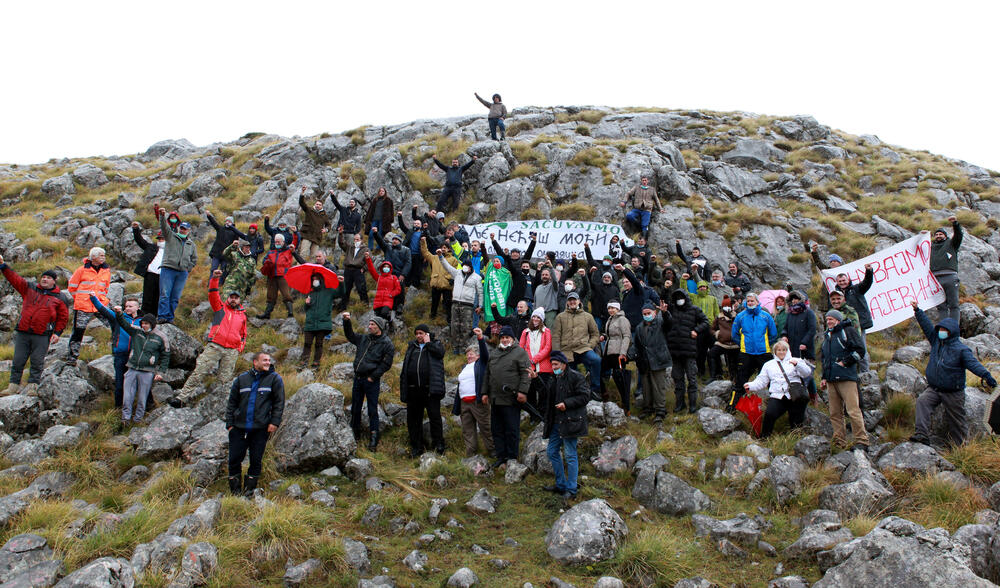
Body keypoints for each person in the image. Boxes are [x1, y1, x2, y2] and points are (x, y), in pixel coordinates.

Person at [909, 300, 997, 447]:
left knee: (957, 421)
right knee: (922, 401)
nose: (941, 332)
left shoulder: (961, 350)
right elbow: (927, 326)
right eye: (940, 329)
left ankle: (962, 447)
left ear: (952, 332)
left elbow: (973, 364)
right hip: (934, 389)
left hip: (953, 393)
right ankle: (921, 434)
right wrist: (918, 311)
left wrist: (986, 375)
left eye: (945, 330)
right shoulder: (936, 340)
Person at [172, 270, 248, 407]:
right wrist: (215, 278)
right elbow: (213, 293)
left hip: (231, 350)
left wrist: (239, 347)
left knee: (224, 380)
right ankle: (182, 398)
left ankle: (218, 406)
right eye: (231, 297)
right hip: (215, 346)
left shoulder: (242, 315)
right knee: (200, 371)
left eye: (236, 298)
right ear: (227, 298)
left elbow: (243, 334)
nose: (233, 299)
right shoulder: (220, 308)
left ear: (240, 300)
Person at [0, 255, 68, 396]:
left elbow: (63, 317)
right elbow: (14, 279)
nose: (44, 279)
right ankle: (13, 386)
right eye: (43, 277)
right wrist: (3, 266)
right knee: (18, 360)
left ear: (54, 281)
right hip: (23, 332)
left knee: (37, 361)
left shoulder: (60, 297)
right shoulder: (29, 288)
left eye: (48, 278)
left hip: (42, 334)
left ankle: (33, 387)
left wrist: (57, 333)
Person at [225, 352, 284, 497]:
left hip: (261, 429)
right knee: (234, 459)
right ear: (255, 362)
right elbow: (231, 403)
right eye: (264, 360)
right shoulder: (241, 379)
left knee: (256, 460)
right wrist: (230, 424)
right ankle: (235, 492)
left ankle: (249, 492)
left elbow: (279, 403)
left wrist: (274, 422)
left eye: (269, 360)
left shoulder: (275, 379)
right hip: (239, 428)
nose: (267, 363)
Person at [343, 312, 395, 451]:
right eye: (369, 324)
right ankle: (355, 434)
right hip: (358, 378)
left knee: (372, 409)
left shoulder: (386, 343)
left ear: (379, 327)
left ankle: (374, 437)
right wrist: (346, 322)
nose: (369, 326)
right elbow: (350, 336)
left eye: (372, 324)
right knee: (355, 408)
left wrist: (373, 376)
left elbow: (387, 364)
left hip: (371, 380)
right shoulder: (364, 338)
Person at [820, 309, 869, 451]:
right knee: (835, 413)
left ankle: (862, 441)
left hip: (847, 378)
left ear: (838, 320)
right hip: (831, 380)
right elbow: (825, 359)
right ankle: (839, 441)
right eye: (827, 319)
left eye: (831, 319)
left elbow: (860, 350)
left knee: (853, 410)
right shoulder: (827, 336)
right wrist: (824, 377)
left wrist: (845, 362)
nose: (829, 321)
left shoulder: (848, 331)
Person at [542, 351, 589, 500]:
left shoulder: (576, 377)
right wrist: (536, 379)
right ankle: (561, 485)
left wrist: (566, 404)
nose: (553, 367)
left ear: (563, 364)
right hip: (557, 423)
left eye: (555, 364)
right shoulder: (554, 378)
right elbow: (545, 394)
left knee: (570, 455)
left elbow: (585, 396)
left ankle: (572, 489)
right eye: (552, 364)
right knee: (551, 452)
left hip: (570, 422)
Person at [744, 340, 813, 437]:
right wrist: (750, 386)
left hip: (795, 395)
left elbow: (807, 373)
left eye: (784, 350)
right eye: (779, 350)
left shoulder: (796, 360)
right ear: (775, 352)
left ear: (787, 350)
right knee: (769, 415)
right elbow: (762, 381)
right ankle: (764, 438)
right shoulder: (768, 365)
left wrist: (797, 364)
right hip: (778, 395)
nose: (781, 352)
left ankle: (796, 439)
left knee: (796, 420)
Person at [486, 325, 531, 468]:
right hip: (495, 399)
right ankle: (501, 456)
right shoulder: (493, 353)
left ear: (512, 338)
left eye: (507, 337)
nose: (505, 340)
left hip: (511, 399)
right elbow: (487, 374)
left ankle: (511, 457)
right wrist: (484, 393)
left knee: (511, 429)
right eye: (503, 337)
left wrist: (523, 392)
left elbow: (526, 374)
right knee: (496, 429)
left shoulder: (520, 353)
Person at [400, 324, 446, 457]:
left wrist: (428, 343)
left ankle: (439, 445)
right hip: (413, 390)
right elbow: (405, 367)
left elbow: (440, 353)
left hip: (430, 390)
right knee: (413, 420)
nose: (419, 336)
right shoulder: (412, 347)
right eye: (417, 333)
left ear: (427, 334)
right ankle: (416, 447)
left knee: (435, 418)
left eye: (421, 333)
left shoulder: (435, 344)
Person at [115, 312, 169, 423]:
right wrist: (119, 314)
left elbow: (166, 355)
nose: (144, 325)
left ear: (152, 324)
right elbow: (123, 324)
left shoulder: (161, 337)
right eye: (143, 323)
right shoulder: (136, 331)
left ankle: (138, 420)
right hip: (132, 368)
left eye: (146, 324)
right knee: (127, 397)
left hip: (147, 371)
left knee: (142, 398)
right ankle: (125, 419)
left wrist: (161, 372)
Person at [729, 292, 778, 410]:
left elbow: (773, 334)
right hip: (746, 354)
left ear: (757, 302)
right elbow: (734, 334)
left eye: (753, 301)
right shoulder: (740, 316)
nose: (750, 303)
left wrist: (764, 344)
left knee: (772, 380)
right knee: (740, 381)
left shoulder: (766, 316)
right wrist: (743, 344)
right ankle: (733, 406)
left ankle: (775, 406)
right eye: (748, 301)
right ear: (746, 302)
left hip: (764, 353)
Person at [90, 295, 140, 408]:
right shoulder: (118, 317)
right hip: (120, 354)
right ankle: (118, 408)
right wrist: (93, 298)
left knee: (138, 382)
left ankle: (141, 406)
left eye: (130, 306)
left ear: (137, 307)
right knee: (119, 384)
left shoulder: (142, 321)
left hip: (136, 355)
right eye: (126, 306)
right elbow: (103, 310)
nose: (127, 308)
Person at [666, 289, 710, 413]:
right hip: (675, 351)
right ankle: (680, 404)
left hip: (689, 350)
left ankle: (692, 405)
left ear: (686, 297)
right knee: (678, 379)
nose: (679, 300)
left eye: (681, 297)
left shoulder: (694, 310)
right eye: (677, 297)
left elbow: (706, 322)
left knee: (692, 378)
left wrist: (696, 330)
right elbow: (666, 321)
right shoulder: (672, 310)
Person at [552, 292, 602, 399]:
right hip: (566, 351)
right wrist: (557, 354)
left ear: (579, 301)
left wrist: (589, 346)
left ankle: (595, 390)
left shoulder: (587, 316)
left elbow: (595, 334)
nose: (572, 302)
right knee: (570, 374)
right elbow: (556, 336)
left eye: (574, 300)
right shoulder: (560, 317)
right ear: (567, 302)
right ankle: (574, 393)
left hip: (583, 349)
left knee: (596, 360)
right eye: (570, 300)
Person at [452, 328, 493, 457]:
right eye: (467, 354)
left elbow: (486, 354)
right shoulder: (464, 368)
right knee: (468, 430)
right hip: (465, 403)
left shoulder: (481, 364)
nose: (469, 356)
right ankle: (471, 454)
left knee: (486, 428)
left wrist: (480, 338)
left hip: (478, 402)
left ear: (478, 356)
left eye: (472, 354)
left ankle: (494, 452)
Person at [67, 247, 112, 364]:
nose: (104, 257)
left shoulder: (106, 271)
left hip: (100, 305)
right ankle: (72, 357)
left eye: (104, 255)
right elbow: (72, 287)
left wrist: (102, 299)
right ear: (93, 257)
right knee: (78, 332)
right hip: (83, 306)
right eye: (101, 255)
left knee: (114, 325)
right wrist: (80, 299)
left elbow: (106, 288)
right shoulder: (81, 270)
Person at [634, 302, 673, 422]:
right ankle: (648, 408)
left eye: (648, 313)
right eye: (644, 314)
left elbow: (669, 324)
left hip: (658, 359)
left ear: (654, 313)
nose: (646, 315)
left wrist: (665, 312)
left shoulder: (661, 323)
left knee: (658, 386)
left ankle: (660, 410)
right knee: (646, 386)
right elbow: (637, 345)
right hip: (645, 361)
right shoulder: (639, 327)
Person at [157, 210, 198, 324]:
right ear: (179, 228)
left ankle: (170, 317)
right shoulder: (171, 236)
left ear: (189, 231)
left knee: (175, 297)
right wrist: (162, 216)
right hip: (168, 269)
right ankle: (162, 316)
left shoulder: (191, 244)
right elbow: (164, 227)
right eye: (182, 228)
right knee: (165, 294)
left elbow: (194, 259)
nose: (183, 230)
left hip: (182, 272)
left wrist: (187, 268)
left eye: (185, 229)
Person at [439, 250, 483, 353]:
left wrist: (480, 306)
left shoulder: (477, 278)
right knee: (454, 326)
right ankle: (455, 348)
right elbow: (447, 266)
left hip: (468, 305)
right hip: (455, 303)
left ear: (471, 267)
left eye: (467, 266)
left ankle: (463, 348)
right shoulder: (457, 273)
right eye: (464, 265)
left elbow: (480, 292)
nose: (465, 267)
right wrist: (440, 256)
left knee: (465, 327)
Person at [300, 267, 344, 369]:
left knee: (319, 344)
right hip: (310, 323)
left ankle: (316, 362)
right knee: (307, 343)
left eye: (316, 279)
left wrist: (341, 283)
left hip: (323, 323)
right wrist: (306, 304)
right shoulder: (310, 292)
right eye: (313, 279)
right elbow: (306, 309)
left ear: (321, 280)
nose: (315, 281)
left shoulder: (329, 291)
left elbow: (340, 294)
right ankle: (304, 361)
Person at [834, 264, 874, 372]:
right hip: (844, 327)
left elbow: (867, 282)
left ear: (848, 280)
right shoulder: (835, 294)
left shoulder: (857, 289)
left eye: (844, 280)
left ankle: (865, 374)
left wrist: (869, 271)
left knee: (861, 348)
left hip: (858, 325)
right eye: (840, 281)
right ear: (837, 282)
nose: (842, 283)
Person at [781, 291, 818, 398]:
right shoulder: (790, 313)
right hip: (792, 348)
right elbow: (785, 328)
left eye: (796, 298)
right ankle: (803, 395)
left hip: (805, 349)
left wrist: (804, 342)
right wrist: (784, 335)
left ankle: (812, 395)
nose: (794, 301)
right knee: (796, 372)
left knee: (807, 373)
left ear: (802, 299)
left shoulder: (808, 312)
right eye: (792, 299)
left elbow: (812, 330)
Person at [257, 234, 301, 319]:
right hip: (272, 275)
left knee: (286, 294)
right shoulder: (271, 252)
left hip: (283, 275)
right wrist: (267, 263)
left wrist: (295, 233)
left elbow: (295, 242)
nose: (276, 243)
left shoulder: (288, 250)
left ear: (283, 242)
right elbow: (264, 261)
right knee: (271, 295)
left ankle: (290, 313)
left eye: (278, 241)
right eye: (275, 241)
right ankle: (267, 314)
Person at [520, 307, 553, 417]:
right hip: (529, 367)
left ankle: (543, 414)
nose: (535, 319)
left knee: (543, 391)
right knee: (531, 392)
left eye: (538, 317)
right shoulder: (525, 332)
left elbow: (547, 348)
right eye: (534, 316)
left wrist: (534, 359)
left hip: (543, 367)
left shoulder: (546, 331)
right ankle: (533, 416)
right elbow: (521, 348)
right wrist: (528, 361)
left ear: (542, 319)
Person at [491, 233, 536, 314]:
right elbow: (499, 252)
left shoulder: (523, 262)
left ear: (519, 255)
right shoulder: (506, 260)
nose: (515, 254)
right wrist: (493, 240)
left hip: (518, 287)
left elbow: (529, 252)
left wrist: (533, 241)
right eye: (513, 252)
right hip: (506, 284)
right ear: (510, 254)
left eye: (517, 252)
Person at [600, 302, 632, 412]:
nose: (610, 310)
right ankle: (604, 394)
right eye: (609, 308)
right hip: (608, 351)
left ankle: (625, 403)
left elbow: (627, 336)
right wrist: (604, 336)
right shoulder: (610, 319)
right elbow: (610, 334)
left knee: (620, 377)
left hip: (618, 352)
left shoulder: (622, 319)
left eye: (613, 308)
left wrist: (623, 352)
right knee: (600, 371)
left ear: (617, 309)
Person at [930, 216, 962, 324]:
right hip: (935, 280)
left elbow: (958, 235)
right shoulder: (930, 247)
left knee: (954, 304)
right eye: (936, 234)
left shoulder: (951, 244)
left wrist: (955, 224)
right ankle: (945, 328)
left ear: (945, 236)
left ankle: (953, 329)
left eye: (941, 234)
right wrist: (921, 236)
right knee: (941, 306)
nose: (938, 236)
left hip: (950, 277)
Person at [373, 229, 411, 309]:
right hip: (388, 274)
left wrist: (403, 274)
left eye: (396, 240)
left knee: (399, 290)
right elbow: (380, 241)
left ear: (400, 241)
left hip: (399, 274)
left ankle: (399, 306)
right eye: (393, 239)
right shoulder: (388, 248)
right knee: (387, 290)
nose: (394, 241)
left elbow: (408, 263)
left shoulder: (406, 250)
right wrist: (376, 233)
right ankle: (387, 306)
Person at [421, 237, 458, 319]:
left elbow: (455, 271)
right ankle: (432, 317)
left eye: (445, 247)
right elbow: (425, 253)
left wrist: (452, 280)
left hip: (447, 284)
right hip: (436, 283)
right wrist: (423, 242)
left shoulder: (453, 260)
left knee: (448, 303)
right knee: (434, 302)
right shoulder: (434, 258)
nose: (443, 249)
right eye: (442, 247)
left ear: (449, 249)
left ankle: (449, 318)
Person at [131, 222, 163, 316]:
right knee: (147, 297)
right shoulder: (151, 247)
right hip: (150, 275)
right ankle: (143, 317)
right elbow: (140, 240)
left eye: (163, 238)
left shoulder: (170, 251)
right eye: (159, 238)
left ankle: (154, 318)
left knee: (158, 298)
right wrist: (136, 229)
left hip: (163, 276)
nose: (161, 240)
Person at [690, 281, 721, 376]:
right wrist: (683, 280)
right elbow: (685, 291)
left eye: (704, 287)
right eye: (700, 287)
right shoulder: (694, 298)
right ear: (697, 289)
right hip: (699, 328)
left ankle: (717, 373)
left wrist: (718, 327)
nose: (702, 288)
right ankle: (701, 373)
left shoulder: (713, 299)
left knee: (715, 351)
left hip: (711, 328)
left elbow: (717, 313)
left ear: (707, 288)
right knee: (700, 352)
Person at [365, 253, 403, 325]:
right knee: (378, 318)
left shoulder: (393, 278)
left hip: (388, 301)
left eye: (388, 267)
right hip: (378, 301)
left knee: (384, 313)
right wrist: (368, 259)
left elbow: (398, 289)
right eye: (384, 266)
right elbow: (371, 269)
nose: (386, 268)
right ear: (382, 268)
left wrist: (391, 295)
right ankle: (383, 328)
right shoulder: (379, 277)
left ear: (390, 268)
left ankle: (390, 322)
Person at [338, 231, 370, 310]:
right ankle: (343, 307)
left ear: (362, 240)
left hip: (358, 270)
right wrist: (341, 234)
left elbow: (369, 261)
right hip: (348, 270)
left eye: (357, 239)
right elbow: (341, 243)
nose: (356, 241)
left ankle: (365, 305)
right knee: (346, 289)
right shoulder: (350, 247)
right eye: (355, 239)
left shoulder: (366, 249)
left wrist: (364, 269)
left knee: (361, 288)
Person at [709, 299, 739, 382]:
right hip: (722, 343)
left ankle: (734, 378)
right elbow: (712, 329)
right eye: (725, 306)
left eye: (729, 306)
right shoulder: (719, 317)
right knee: (712, 353)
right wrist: (717, 333)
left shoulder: (737, 317)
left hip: (735, 344)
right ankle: (715, 375)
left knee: (734, 361)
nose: (727, 308)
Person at [298, 186, 331, 258]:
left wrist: (326, 229)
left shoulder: (324, 215)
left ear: (322, 206)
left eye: (319, 205)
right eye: (317, 204)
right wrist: (302, 193)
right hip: (307, 235)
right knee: (303, 254)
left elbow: (328, 225)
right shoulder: (309, 210)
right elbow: (302, 203)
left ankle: (311, 269)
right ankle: (300, 268)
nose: (318, 206)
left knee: (314, 256)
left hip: (317, 237)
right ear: (314, 204)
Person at [395, 212, 425, 288]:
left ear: (421, 225)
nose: (416, 225)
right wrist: (399, 217)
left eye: (418, 224)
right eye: (415, 224)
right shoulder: (410, 232)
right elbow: (402, 226)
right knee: (408, 270)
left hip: (419, 255)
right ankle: (406, 286)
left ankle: (416, 286)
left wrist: (425, 256)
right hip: (409, 254)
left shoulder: (423, 234)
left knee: (417, 271)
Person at [483, 256, 513, 324]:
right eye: (494, 261)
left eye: (497, 261)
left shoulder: (506, 273)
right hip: (492, 298)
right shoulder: (490, 270)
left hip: (502, 300)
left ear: (501, 263)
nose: (495, 263)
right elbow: (486, 259)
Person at [363, 187, 394, 251]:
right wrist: (368, 219)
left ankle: (379, 248)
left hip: (383, 221)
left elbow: (391, 211)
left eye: (383, 191)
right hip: (374, 219)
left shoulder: (388, 200)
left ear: (385, 192)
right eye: (380, 191)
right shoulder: (375, 200)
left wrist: (390, 219)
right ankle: (370, 248)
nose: (381, 192)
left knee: (380, 234)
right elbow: (371, 210)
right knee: (371, 234)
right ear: (378, 192)